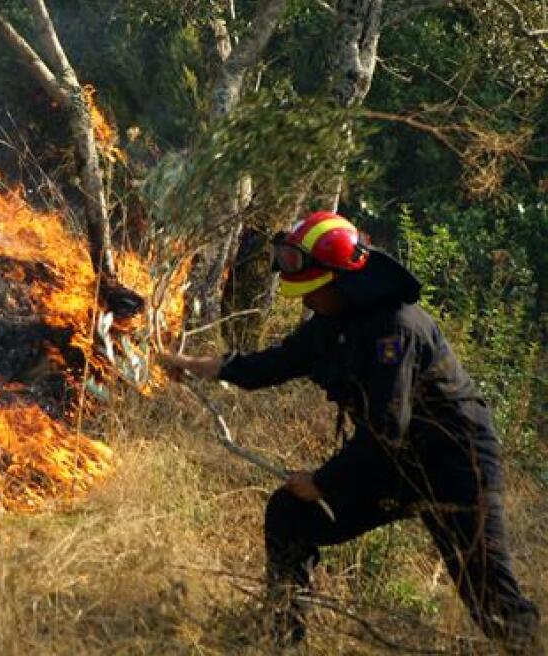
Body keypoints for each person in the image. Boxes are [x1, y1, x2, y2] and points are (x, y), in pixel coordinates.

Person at [159, 211, 541, 652]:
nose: (305, 298)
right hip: (394, 463)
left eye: (312, 288)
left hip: (455, 464)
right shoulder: (333, 320)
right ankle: (281, 638)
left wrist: (323, 481)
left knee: (489, 597)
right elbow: (276, 363)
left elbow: (385, 427)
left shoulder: (396, 330)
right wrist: (199, 366)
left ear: (341, 280)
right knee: (290, 514)